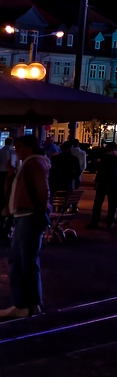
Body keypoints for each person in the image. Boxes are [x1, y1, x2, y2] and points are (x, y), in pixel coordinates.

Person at [1, 134, 51, 319]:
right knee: (25, 262)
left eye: (19, 147)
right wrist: (11, 174)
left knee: (21, 262)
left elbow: (41, 192)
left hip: (28, 217)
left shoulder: (34, 164)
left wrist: (38, 213)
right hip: (25, 217)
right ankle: (31, 304)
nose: (16, 151)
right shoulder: (30, 164)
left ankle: (23, 304)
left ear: (29, 147)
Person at [88, 143, 117, 230]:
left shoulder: (105, 157)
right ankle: (110, 223)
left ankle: (95, 222)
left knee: (98, 203)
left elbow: (101, 170)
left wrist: (96, 181)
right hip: (116, 183)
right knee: (113, 205)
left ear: (110, 147)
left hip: (104, 182)